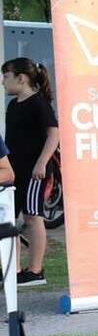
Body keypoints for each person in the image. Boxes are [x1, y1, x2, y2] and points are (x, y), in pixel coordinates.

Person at [1, 57, 59, 287]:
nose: (3, 82)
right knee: (8, 217)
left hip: (35, 172)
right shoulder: (14, 105)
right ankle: (12, 270)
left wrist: (42, 162)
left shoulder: (39, 104)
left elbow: (53, 134)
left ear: (21, 78)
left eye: (6, 77)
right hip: (15, 171)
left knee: (33, 217)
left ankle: (35, 270)